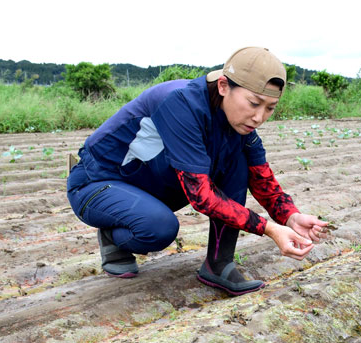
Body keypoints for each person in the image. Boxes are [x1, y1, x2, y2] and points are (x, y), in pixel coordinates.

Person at [66, 47, 327, 296]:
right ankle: (113, 234)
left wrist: (290, 217)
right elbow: (201, 196)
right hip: (97, 183)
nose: (259, 117)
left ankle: (219, 264)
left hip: (151, 184)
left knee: (237, 161)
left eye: (270, 108)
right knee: (159, 227)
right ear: (223, 86)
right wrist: (269, 229)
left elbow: (261, 177)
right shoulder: (180, 103)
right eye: (253, 103)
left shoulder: (239, 123)